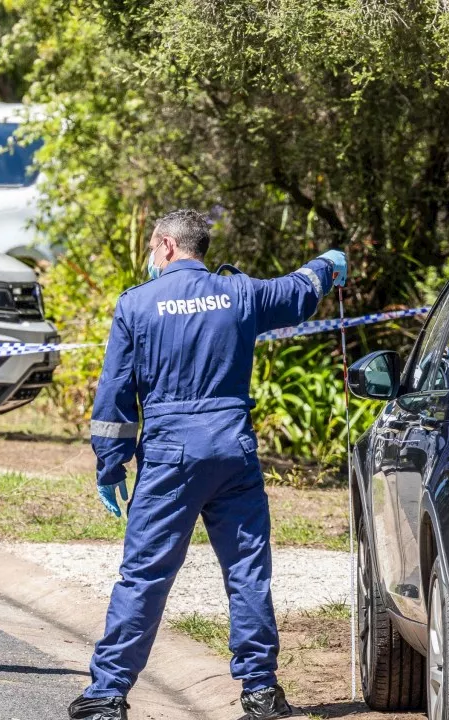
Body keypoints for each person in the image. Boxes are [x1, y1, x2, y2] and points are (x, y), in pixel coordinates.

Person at [68, 210, 348, 720]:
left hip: (170, 457)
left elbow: (114, 395)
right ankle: (260, 691)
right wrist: (328, 265)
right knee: (247, 571)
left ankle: (107, 693)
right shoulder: (239, 294)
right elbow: (297, 291)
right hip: (231, 451)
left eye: (153, 249)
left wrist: (110, 466)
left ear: (167, 246)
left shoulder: (136, 304)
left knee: (145, 576)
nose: (152, 258)